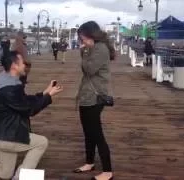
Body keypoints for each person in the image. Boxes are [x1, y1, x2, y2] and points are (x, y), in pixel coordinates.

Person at [0, 51, 63, 180]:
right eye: (22, 63)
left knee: (5, 173)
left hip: (2, 132)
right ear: (14, 65)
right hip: (6, 136)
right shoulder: (10, 89)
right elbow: (29, 109)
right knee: (42, 142)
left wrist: (44, 93)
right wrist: (48, 96)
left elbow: (23, 101)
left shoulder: (9, 82)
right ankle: (21, 177)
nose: (25, 65)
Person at [75, 21, 114, 180]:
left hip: (95, 97)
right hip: (87, 96)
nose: (81, 40)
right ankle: (89, 162)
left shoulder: (100, 49)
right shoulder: (92, 48)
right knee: (88, 132)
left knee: (96, 133)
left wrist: (84, 51)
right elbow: (86, 67)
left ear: (90, 34)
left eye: (82, 36)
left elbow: (89, 69)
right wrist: (85, 50)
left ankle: (107, 171)